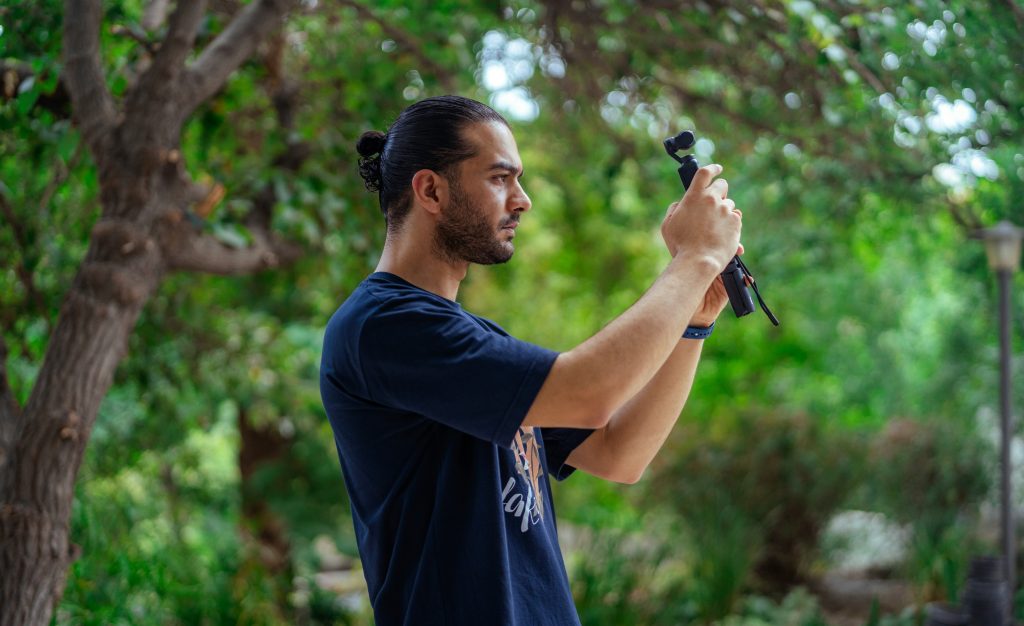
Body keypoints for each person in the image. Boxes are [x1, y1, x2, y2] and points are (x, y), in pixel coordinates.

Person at [319, 95, 742, 625]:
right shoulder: (381, 327)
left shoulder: (470, 337)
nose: (523, 201)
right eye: (500, 178)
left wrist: (694, 322)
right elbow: (588, 393)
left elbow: (619, 453)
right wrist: (696, 257)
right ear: (430, 189)